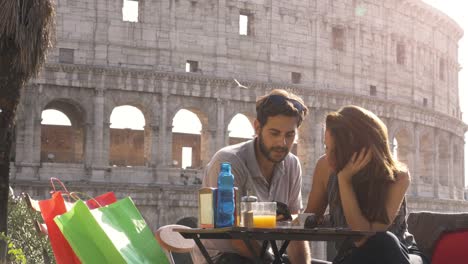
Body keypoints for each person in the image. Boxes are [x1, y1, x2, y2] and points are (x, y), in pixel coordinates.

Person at [305, 105, 429, 264]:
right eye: (325, 147)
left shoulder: (399, 177)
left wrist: (344, 182)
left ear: (355, 148)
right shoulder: (325, 166)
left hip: (400, 252)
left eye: (334, 150)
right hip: (353, 256)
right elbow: (309, 219)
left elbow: (364, 237)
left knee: (384, 241)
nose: (327, 157)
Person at [198, 89, 311, 264]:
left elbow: (294, 231)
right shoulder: (228, 162)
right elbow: (237, 238)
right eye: (274, 133)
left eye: (290, 135)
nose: (282, 143)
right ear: (257, 127)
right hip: (223, 258)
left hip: (264, 257)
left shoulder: (292, 165)